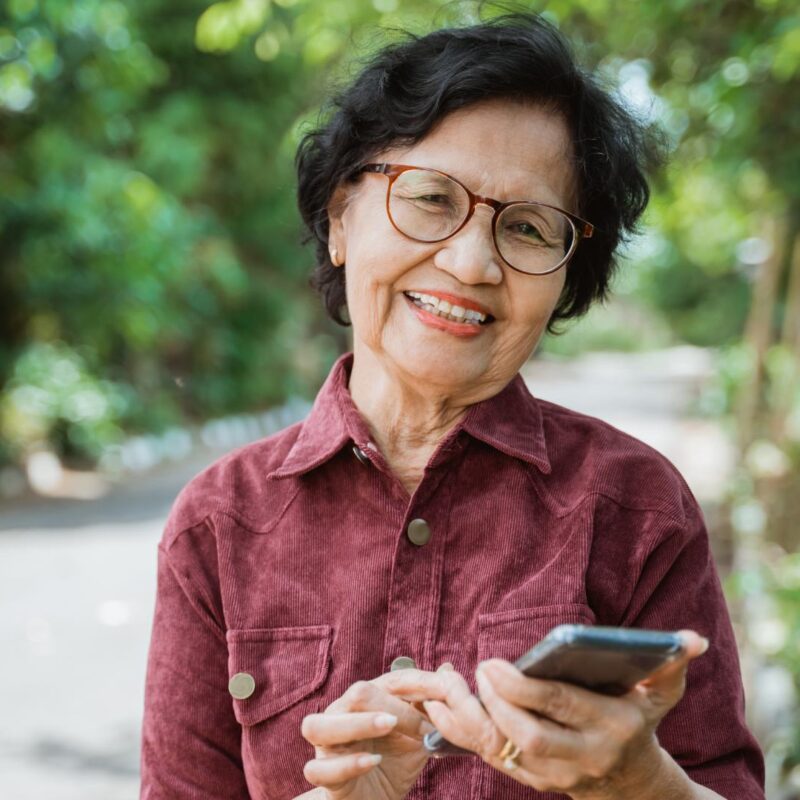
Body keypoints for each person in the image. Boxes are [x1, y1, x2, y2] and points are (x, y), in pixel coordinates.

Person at [139, 13, 765, 800]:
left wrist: (639, 783)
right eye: (432, 198)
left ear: (568, 278)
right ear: (339, 219)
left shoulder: (638, 508)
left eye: (529, 228)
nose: (470, 262)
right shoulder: (217, 525)